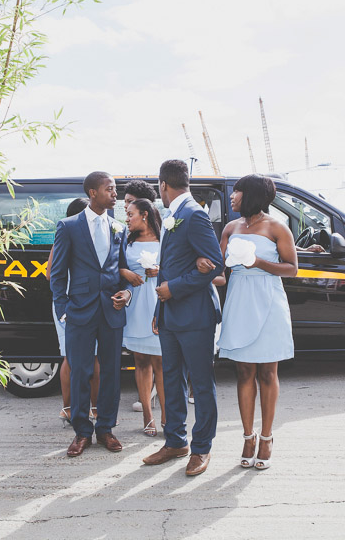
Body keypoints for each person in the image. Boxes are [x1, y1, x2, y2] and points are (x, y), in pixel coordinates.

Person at [206, 174, 297, 471]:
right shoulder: (231, 228)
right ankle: (248, 437)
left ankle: (267, 437)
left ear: (252, 195)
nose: (232, 197)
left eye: (237, 192)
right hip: (239, 300)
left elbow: (291, 269)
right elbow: (219, 271)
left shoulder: (277, 227)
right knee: (244, 371)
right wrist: (205, 270)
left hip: (268, 299)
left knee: (268, 373)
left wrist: (258, 263)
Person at [143, 159, 223, 477]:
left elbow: (215, 264)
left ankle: (201, 448)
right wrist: (158, 309)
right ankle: (176, 441)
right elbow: (170, 266)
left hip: (195, 315)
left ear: (163, 185)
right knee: (171, 381)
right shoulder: (173, 215)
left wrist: (172, 290)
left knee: (200, 385)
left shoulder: (193, 214)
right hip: (170, 315)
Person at [50, 171, 132, 457]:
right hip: (79, 311)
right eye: (110, 189)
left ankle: (106, 429)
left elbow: (121, 271)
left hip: (112, 310)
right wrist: (62, 310)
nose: (115, 194)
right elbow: (57, 274)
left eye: (115, 189)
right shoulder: (68, 226)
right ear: (92, 192)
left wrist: (127, 293)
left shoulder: (119, 228)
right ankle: (82, 432)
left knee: (111, 373)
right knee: (81, 372)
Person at [47, 197, 99, 424]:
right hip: (70, 304)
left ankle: (73, 408)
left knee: (73, 356)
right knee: (82, 357)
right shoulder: (70, 234)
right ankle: (85, 408)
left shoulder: (66, 236)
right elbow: (51, 274)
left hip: (73, 302)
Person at [120, 198, 165, 436]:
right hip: (135, 303)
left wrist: (160, 271)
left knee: (161, 363)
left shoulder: (164, 239)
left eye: (130, 214)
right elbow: (112, 266)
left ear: (145, 215)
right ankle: (148, 416)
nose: (126, 219)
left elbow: (178, 267)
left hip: (159, 302)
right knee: (141, 361)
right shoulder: (124, 242)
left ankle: (167, 416)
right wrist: (125, 272)